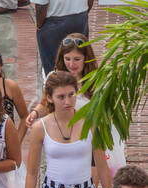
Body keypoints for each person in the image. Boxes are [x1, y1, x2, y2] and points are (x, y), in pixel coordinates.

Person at [25, 69, 112, 188]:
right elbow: (32, 172)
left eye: (71, 95)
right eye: (61, 96)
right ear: (49, 98)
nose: (67, 101)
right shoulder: (41, 128)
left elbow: (102, 166)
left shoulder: (92, 123)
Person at [24, 33, 126, 176]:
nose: (72, 64)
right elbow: (46, 104)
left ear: (86, 58)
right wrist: (35, 113)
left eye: (77, 59)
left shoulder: (96, 81)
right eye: (67, 59)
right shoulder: (54, 78)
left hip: (90, 142)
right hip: (64, 142)